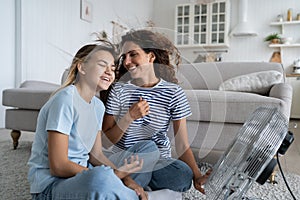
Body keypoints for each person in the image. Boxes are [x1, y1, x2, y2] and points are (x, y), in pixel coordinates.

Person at [27, 43, 151, 200]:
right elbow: (58, 166)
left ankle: (126, 190)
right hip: (51, 186)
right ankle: (131, 195)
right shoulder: (65, 100)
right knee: (101, 179)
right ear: (82, 67)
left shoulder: (98, 106)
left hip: (83, 175)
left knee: (147, 150)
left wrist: (126, 178)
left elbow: (96, 154)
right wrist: (114, 175)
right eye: (102, 65)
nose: (109, 72)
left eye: (112, 68)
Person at [102, 29, 210, 194]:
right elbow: (107, 140)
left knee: (183, 175)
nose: (127, 62)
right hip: (126, 159)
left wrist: (197, 176)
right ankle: (132, 186)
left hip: (158, 161)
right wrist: (129, 117)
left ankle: (130, 183)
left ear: (151, 57)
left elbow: (181, 144)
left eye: (133, 54)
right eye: (124, 57)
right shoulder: (119, 90)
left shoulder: (174, 93)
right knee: (148, 148)